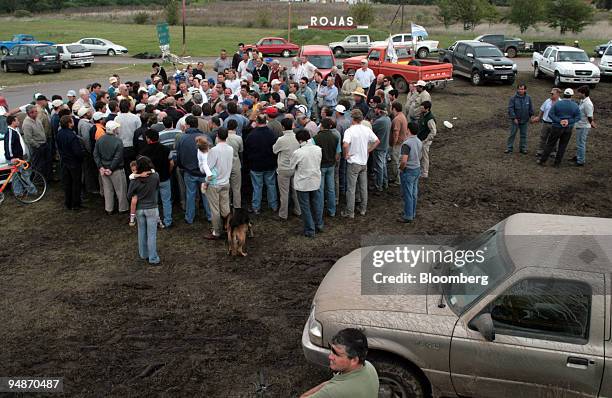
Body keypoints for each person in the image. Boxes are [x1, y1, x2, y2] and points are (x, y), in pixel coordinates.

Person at [300, 328, 379, 398]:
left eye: (336, 354)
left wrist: (328, 385)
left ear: (354, 360)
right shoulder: (369, 366)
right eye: (331, 350)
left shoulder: (333, 391)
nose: (330, 357)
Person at [341, 109, 380, 219]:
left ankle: (350, 212)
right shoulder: (366, 129)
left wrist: (346, 154)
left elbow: (345, 145)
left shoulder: (350, 131)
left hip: (353, 163)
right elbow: (377, 141)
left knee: (351, 188)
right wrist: (368, 150)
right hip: (364, 162)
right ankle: (363, 209)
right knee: (363, 187)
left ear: (352, 118)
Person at [176, 116, 212, 224]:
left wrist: (182, 167)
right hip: (203, 172)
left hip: (189, 171)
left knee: (190, 195)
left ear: (187, 125)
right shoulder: (206, 137)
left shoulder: (182, 138)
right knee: (206, 194)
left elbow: (179, 155)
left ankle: (189, 217)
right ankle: (210, 215)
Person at [127, 156, 161, 265]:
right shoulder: (155, 176)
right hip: (152, 208)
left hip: (139, 209)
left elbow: (129, 195)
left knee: (141, 232)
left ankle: (143, 254)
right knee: (151, 234)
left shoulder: (134, 180)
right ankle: (153, 258)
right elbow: (156, 187)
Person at [290, 128, 323, 238]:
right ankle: (319, 224)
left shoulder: (298, 152)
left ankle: (310, 229)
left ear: (299, 140)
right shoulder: (318, 149)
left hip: (303, 183)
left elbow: (291, 166)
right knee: (316, 204)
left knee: (305, 207)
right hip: (315, 180)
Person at [244, 114, 279, 214]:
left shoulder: (252, 135)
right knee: (271, 185)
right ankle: (274, 206)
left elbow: (247, 150)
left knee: (257, 186)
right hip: (270, 164)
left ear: (257, 121)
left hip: (256, 165)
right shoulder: (271, 134)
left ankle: (256, 207)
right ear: (266, 121)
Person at [140, 129, 174, 228]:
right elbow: (171, 163)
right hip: (164, 177)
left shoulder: (143, 152)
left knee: (153, 202)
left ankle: (156, 221)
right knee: (166, 201)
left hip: (151, 180)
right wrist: (168, 172)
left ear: (148, 139)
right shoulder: (166, 149)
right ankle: (168, 221)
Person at [538, 88, 581, 167]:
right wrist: (569, 121)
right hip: (568, 128)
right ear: (571, 96)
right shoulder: (575, 105)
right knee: (562, 146)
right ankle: (557, 163)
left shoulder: (557, 104)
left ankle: (542, 161)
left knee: (550, 144)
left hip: (556, 127)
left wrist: (559, 121)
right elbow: (578, 117)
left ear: (564, 94)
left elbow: (550, 114)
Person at [204, 127, 234, 240]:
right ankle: (228, 227)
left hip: (214, 183)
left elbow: (209, 168)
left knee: (215, 209)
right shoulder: (230, 149)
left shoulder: (214, 150)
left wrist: (206, 182)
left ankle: (216, 231)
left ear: (217, 136)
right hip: (225, 181)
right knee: (225, 207)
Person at [94, 120, 129, 215]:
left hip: (103, 169)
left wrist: (101, 167)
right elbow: (118, 157)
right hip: (116, 169)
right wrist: (111, 168)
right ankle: (123, 208)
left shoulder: (100, 139)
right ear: (114, 130)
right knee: (120, 190)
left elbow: (96, 154)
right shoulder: (118, 141)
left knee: (107, 190)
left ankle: (109, 208)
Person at [273, 117, 301, 221]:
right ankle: (298, 210)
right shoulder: (296, 137)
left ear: (283, 127)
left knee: (284, 193)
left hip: (284, 168)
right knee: (295, 190)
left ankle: (283, 214)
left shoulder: (281, 139)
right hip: (294, 167)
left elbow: (274, 150)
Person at [313, 117, 340, 217]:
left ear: (321, 126)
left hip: (320, 166)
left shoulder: (315, 138)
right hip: (331, 165)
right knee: (331, 189)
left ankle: (319, 212)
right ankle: (332, 211)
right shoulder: (336, 137)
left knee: (320, 190)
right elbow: (337, 154)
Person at [56, 115, 84, 210]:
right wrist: (81, 157)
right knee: (76, 183)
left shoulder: (59, 133)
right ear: (69, 123)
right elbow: (77, 152)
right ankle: (76, 204)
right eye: (71, 121)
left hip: (64, 162)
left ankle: (68, 203)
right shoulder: (72, 136)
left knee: (67, 183)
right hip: (74, 163)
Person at [3, 115, 36, 197]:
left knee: (18, 176)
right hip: (15, 159)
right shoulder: (10, 132)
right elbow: (9, 146)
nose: (19, 122)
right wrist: (12, 158)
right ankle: (30, 191)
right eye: (17, 120)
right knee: (22, 175)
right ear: (13, 122)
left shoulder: (15, 130)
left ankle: (19, 192)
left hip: (18, 158)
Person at [398, 122, 423, 223]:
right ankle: (412, 213)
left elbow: (404, 160)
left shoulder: (406, 143)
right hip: (417, 169)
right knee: (413, 193)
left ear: (408, 130)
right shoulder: (419, 141)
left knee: (407, 194)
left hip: (408, 170)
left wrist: (401, 168)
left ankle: (408, 216)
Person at [22, 104, 52, 181]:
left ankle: (48, 178)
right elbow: (28, 138)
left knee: (47, 162)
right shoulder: (27, 124)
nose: (37, 113)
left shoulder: (37, 119)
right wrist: (38, 146)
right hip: (37, 147)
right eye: (35, 112)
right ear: (30, 113)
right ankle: (40, 180)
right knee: (39, 164)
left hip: (44, 144)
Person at [505, 83, 533, 154]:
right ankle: (509, 148)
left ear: (525, 90)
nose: (521, 90)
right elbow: (510, 109)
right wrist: (514, 118)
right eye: (520, 89)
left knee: (523, 135)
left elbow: (530, 108)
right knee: (512, 134)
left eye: (522, 89)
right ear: (517, 89)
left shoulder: (528, 98)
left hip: (524, 120)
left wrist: (531, 116)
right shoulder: (513, 98)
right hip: (515, 120)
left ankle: (523, 148)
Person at [533, 88, 561, 158]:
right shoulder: (547, 101)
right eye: (551, 93)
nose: (551, 95)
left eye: (552, 94)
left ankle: (553, 152)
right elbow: (542, 109)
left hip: (555, 124)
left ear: (557, 94)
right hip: (545, 122)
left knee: (554, 138)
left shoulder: (561, 103)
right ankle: (540, 151)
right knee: (543, 137)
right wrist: (539, 117)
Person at [370, 103, 391, 192]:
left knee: (379, 167)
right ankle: (385, 183)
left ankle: (379, 186)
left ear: (379, 110)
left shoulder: (379, 121)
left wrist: (371, 123)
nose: (375, 111)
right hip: (385, 145)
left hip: (379, 147)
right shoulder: (388, 119)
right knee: (384, 165)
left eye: (376, 109)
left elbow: (371, 130)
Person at [572, 85, 595, 166]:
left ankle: (580, 160)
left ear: (583, 93)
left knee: (581, 143)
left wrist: (591, 123)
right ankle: (578, 156)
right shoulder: (583, 101)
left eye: (579, 93)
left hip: (583, 126)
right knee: (579, 142)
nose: (578, 94)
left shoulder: (588, 104)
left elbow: (589, 116)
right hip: (580, 125)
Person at [389, 101, 408, 186]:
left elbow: (396, 133)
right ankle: (399, 178)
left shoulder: (397, 119)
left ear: (394, 109)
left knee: (395, 162)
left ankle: (397, 180)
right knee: (399, 162)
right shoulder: (403, 116)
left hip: (397, 144)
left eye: (391, 108)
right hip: (403, 142)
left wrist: (393, 143)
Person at [416, 101, 436, 179]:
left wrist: (426, 140)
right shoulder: (423, 115)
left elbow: (433, 132)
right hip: (421, 139)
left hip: (425, 141)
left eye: (422, 108)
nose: (420, 109)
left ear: (427, 109)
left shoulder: (430, 119)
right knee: (420, 156)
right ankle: (421, 170)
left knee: (424, 157)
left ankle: (424, 173)